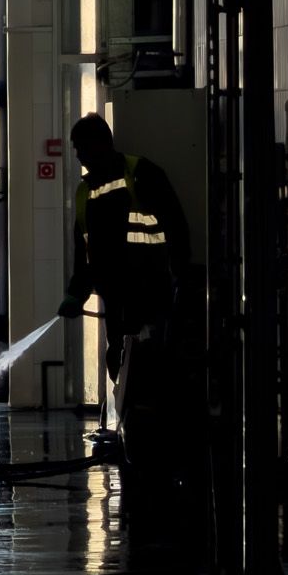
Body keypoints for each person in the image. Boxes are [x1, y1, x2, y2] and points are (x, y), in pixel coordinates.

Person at [57, 113, 189, 411]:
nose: (78, 155)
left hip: (152, 292)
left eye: (81, 147)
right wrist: (76, 292)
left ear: (101, 143)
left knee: (152, 361)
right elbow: (84, 250)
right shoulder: (86, 192)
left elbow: (176, 226)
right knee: (118, 358)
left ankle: (150, 424)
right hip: (116, 299)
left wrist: (182, 276)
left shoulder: (140, 174)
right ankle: (131, 424)